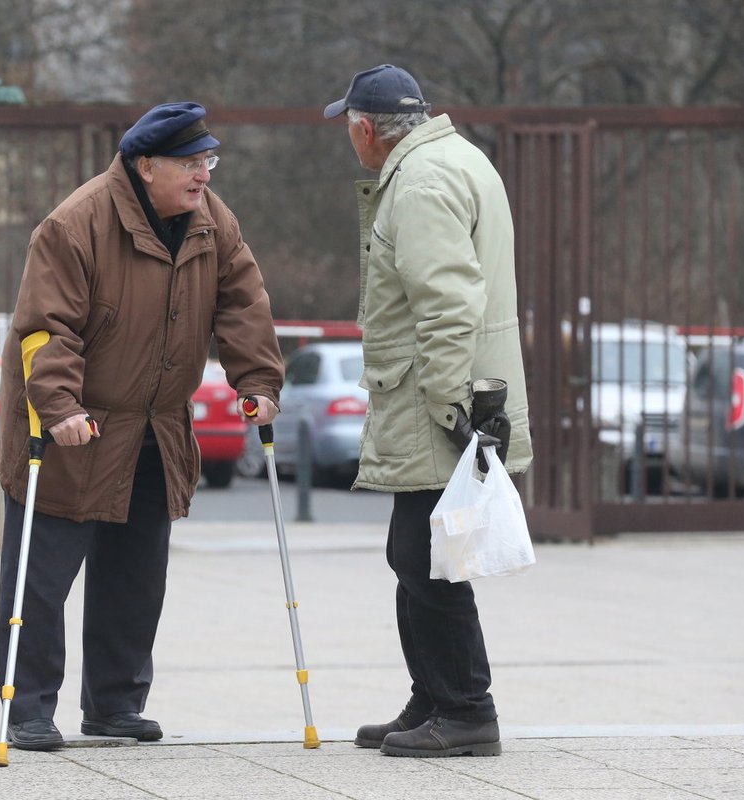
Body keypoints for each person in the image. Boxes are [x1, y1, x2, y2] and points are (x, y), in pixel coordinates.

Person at [0, 102, 284, 751]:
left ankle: (116, 702)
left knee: (136, 575)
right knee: (40, 579)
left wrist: (256, 383)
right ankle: (28, 708)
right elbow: (46, 328)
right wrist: (62, 407)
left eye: (208, 160)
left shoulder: (214, 221)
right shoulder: (77, 224)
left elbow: (244, 302)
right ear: (144, 165)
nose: (203, 174)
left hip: (155, 426)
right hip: (74, 424)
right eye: (189, 162)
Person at [323, 65, 533, 758]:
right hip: (450, 395)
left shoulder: (417, 184)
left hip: (437, 403)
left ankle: (467, 709)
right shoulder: (458, 159)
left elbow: (447, 304)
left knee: (428, 558)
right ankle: (434, 696)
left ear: (363, 128)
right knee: (414, 553)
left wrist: (451, 407)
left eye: (347, 129)